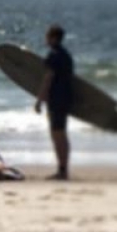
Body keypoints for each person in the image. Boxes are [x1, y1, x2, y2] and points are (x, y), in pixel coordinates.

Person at [34, 25, 74, 180]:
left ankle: (62, 172)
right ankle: (64, 169)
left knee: (57, 135)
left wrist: (39, 101)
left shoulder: (53, 55)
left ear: (53, 38)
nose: (46, 39)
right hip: (66, 100)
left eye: (47, 36)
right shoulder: (67, 56)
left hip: (56, 101)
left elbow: (48, 79)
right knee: (62, 135)